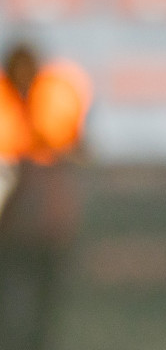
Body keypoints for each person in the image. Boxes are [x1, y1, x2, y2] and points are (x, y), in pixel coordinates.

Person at [0, 41, 91, 350]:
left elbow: (82, 149)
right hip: (11, 231)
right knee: (12, 307)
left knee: (44, 309)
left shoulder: (57, 101)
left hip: (47, 229)